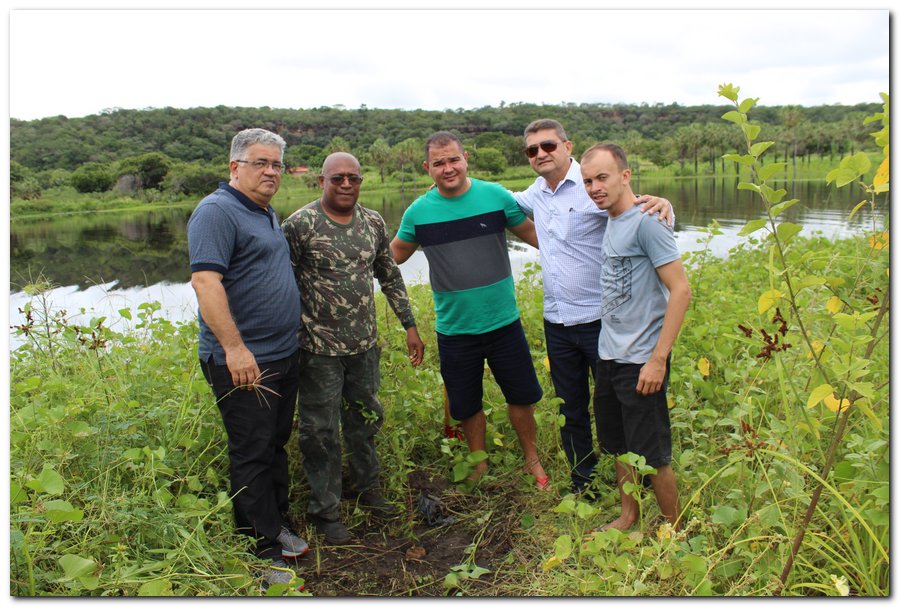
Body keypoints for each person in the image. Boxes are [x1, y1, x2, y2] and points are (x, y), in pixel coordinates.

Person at [512, 118, 673, 495]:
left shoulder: (592, 186)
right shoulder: (534, 194)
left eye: (548, 146)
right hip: (558, 321)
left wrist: (664, 203)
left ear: (567, 146)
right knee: (572, 408)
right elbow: (494, 201)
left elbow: (640, 213)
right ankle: (584, 481)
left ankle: (648, 479)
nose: (541, 154)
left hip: (603, 321)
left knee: (623, 406)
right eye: (532, 150)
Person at [390, 131, 550, 490]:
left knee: (522, 396)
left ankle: (532, 459)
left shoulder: (495, 197)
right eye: (439, 163)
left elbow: (541, 238)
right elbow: (391, 257)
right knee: (466, 403)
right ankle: (478, 465)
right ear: (427, 167)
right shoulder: (418, 212)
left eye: (453, 160)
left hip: (503, 323)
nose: (448, 168)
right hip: (455, 330)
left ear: (466, 159)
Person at [281, 152, 425, 545]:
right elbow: (282, 284)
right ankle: (325, 510)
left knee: (365, 419)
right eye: (338, 178)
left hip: (363, 346)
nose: (346, 185)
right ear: (322, 182)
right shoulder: (300, 225)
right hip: (317, 350)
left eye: (354, 179)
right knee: (320, 431)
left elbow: (389, 274)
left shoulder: (373, 222)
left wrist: (409, 325)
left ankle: (366, 488)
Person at [187, 128, 308, 588]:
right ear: (235, 166)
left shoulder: (262, 211)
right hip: (244, 361)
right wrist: (235, 349)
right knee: (252, 451)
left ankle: (274, 524)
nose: (272, 172)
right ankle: (259, 551)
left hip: (282, 354)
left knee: (274, 443)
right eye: (261, 163)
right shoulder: (217, 212)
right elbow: (206, 284)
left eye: (277, 164)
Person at [580, 143, 690, 531]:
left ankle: (675, 529)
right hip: (609, 354)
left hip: (642, 357)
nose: (595, 187)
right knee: (618, 443)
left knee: (653, 451)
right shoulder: (611, 217)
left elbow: (681, 290)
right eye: (588, 180)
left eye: (603, 178)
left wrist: (658, 359)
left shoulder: (648, 220)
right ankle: (629, 515)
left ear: (626, 176)